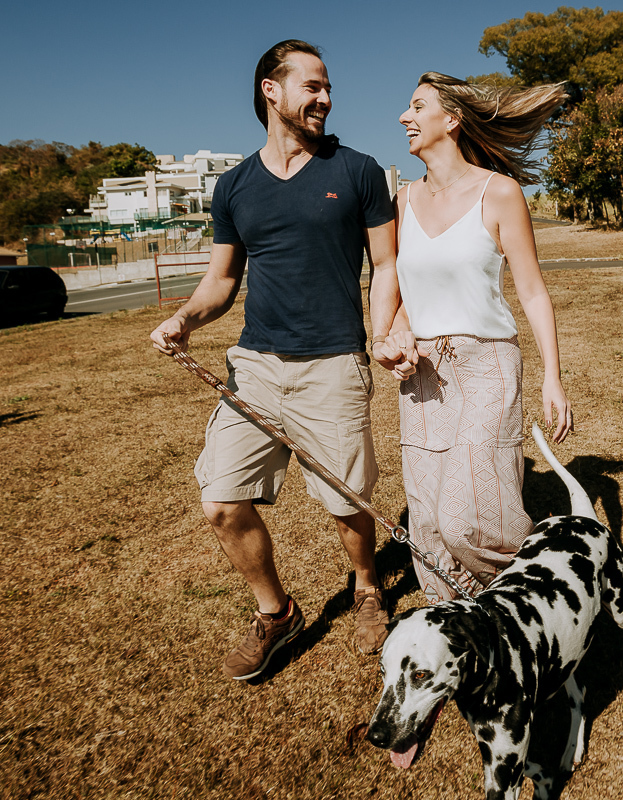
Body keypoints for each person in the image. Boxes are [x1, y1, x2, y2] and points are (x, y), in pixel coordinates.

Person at [150, 40, 401, 680]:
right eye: (312, 86)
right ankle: (276, 612)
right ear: (271, 89)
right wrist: (185, 317)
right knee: (220, 500)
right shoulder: (234, 187)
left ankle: (367, 587)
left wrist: (381, 334)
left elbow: (387, 264)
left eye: (327, 87)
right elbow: (220, 282)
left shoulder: (358, 171)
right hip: (255, 368)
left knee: (348, 504)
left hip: (334, 364)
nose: (325, 98)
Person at [375, 72, 572, 603]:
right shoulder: (399, 202)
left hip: (487, 365)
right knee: (430, 529)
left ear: (452, 121)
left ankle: (539, 590)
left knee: (467, 517)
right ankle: (467, 627)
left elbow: (532, 293)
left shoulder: (499, 192)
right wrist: (393, 339)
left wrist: (553, 378)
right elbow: (394, 291)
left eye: (417, 106)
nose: (403, 117)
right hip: (422, 377)